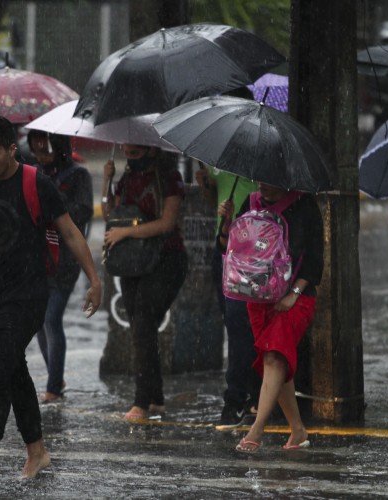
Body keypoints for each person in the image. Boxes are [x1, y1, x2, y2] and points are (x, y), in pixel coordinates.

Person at [0, 116, 101, 491]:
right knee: (14, 369)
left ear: (10, 149)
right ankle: (37, 450)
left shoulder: (36, 182)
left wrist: (94, 280)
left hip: (31, 292)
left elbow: (70, 231)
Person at [217, 182, 324, 453]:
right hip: (257, 299)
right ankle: (298, 431)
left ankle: (256, 430)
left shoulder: (304, 205)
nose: (264, 186)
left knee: (274, 356)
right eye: (261, 179)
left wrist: (294, 294)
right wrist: (227, 223)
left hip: (295, 299)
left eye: (271, 180)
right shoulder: (250, 202)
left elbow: (315, 261)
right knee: (275, 362)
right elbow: (230, 250)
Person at [101, 144, 188, 421]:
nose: (130, 156)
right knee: (142, 327)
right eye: (127, 152)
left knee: (143, 325)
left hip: (165, 260)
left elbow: (167, 223)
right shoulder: (126, 178)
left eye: (136, 152)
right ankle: (156, 399)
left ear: (152, 150)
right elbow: (110, 215)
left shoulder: (169, 178)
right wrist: (107, 181)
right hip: (132, 262)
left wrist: (126, 232)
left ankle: (141, 401)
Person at [27, 130, 94, 402]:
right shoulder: (34, 174)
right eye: (37, 151)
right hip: (39, 256)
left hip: (66, 258)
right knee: (40, 322)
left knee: (51, 318)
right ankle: (56, 375)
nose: (42, 157)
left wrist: (52, 201)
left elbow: (82, 213)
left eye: (46, 151)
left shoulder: (78, 176)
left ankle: (54, 387)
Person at [195, 164, 260, 428]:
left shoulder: (260, 168)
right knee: (234, 324)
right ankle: (244, 395)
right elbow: (215, 198)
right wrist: (208, 186)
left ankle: (244, 396)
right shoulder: (221, 161)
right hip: (224, 248)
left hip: (252, 251)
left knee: (244, 325)